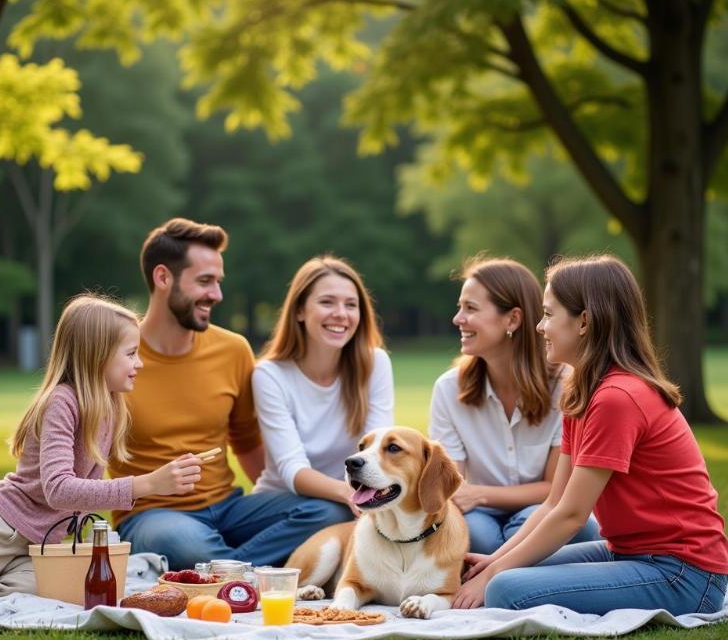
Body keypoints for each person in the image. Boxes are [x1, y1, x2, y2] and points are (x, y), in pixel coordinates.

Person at [454, 255, 728, 614]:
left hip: (683, 572)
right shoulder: (582, 392)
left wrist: (495, 576)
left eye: (549, 315)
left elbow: (572, 515)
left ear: (584, 322)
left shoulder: (619, 398)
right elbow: (553, 503)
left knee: (506, 588)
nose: (539, 327)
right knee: (499, 573)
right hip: (627, 552)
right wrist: (492, 562)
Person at [110, 219, 355, 570]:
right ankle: (249, 571)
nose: (217, 295)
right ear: (163, 278)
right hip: (153, 514)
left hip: (227, 507)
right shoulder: (116, 353)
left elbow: (246, 440)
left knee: (329, 510)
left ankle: (225, 571)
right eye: (205, 281)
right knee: (186, 545)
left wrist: (279, 509)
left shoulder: (232, 349)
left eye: (218, 282)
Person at [0, 294, 199, 600]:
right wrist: (147, 484)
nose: (140, 363)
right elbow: (59, 490)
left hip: (39, 545)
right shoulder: (61, 401)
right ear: (97, 355)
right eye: (131, 353)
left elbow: (83, 498)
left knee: (49, 590)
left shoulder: (108, 408)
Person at [429, 256, 599, 555]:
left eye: (470, 308)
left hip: (543, 507)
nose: (458, 318)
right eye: (460, 307)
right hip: (478, 515)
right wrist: (472, 499)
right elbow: (453, 489)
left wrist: (480, 494)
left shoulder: (567, 384)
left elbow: (555, 489)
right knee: (475, 536)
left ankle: (500, 570)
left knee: (575, 528)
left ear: (513, 319)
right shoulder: (448, 389)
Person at [252, 256, 394, 514]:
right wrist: (348, 494)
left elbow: (377, 450)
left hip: (351, 497)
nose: (340, 314)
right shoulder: (269, 375)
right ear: (299, 311)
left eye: (351, 305)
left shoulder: (375, 363)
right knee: (330, 513)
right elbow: (293, 470)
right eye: (327, 302)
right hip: (282, 504)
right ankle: (228, 557)